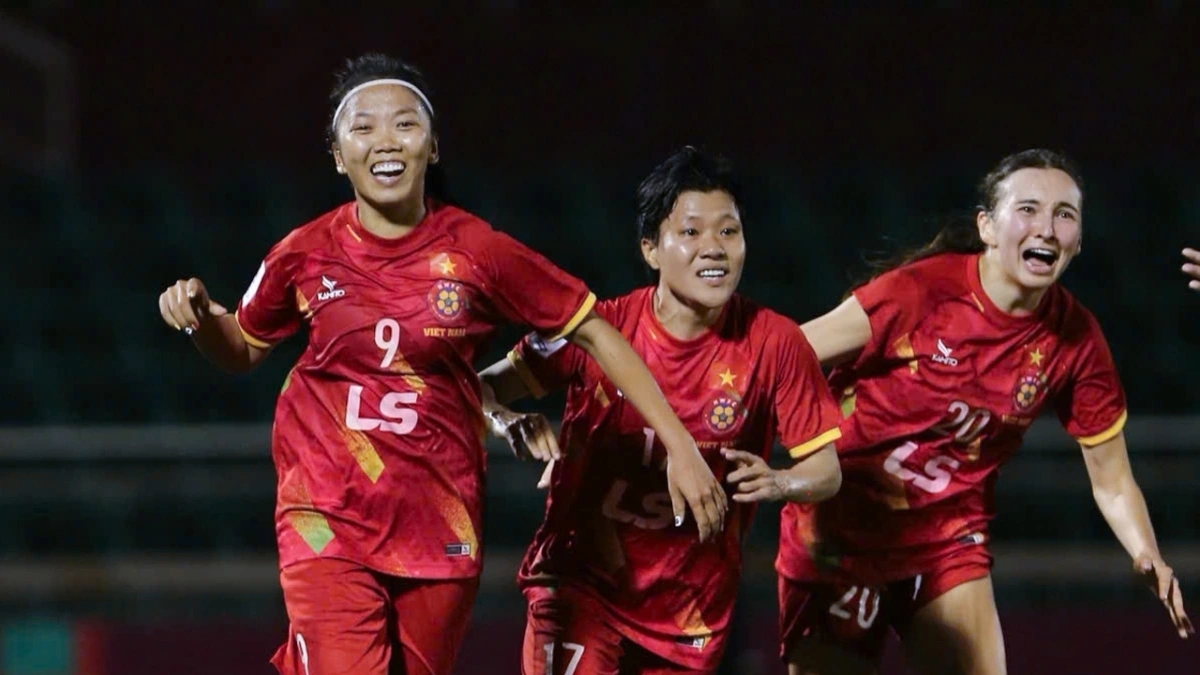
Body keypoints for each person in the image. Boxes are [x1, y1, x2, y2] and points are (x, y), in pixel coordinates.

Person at [156, 54, 728, 675]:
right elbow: (240, 346)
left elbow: (596, 331)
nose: (385, 141)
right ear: (338, 154)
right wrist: (198, 322)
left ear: (432, 148)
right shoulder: (302, 253)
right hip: (325, 513)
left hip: (439, 520)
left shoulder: (480, 251)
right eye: (363, 128)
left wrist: (682, 447)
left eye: (404, 125)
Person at [776, 149, 1194, 675]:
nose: (1046, 228)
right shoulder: (919, 293)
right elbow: (785, 357)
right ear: (988, 227)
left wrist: (1147, 552)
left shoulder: (1077, 340)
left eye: (1064, 215)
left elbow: (1112, 480)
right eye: (1028, 209)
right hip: (839, 532)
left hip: (947, 537)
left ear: (1079, 241)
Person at [479, 146, 844, 675]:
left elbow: (826, 471)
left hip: (689, 617)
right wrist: (507, 420)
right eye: (691, 233)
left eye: (729, 232)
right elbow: (476, 389)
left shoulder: (775, 343)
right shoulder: (600, 331)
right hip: (581, 587)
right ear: (650, 248)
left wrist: (782, 482)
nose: (713, 249)